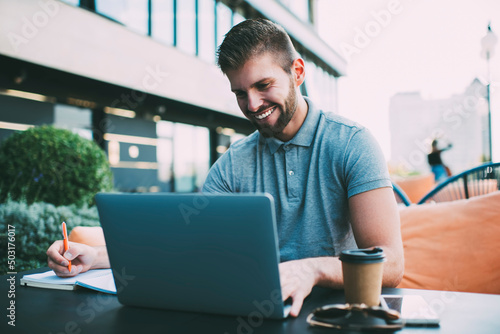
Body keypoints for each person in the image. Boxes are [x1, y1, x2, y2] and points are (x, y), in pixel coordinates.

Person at [47, 19, 404, 318]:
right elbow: (185, 246)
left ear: (297, 72)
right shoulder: (234, 162)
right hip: (252, 315)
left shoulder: (352, 143)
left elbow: (390, 266)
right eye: (240, 92)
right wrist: (95, 258)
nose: (252, 105)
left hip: (331, 316)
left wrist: (311, 268)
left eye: (263, 86)